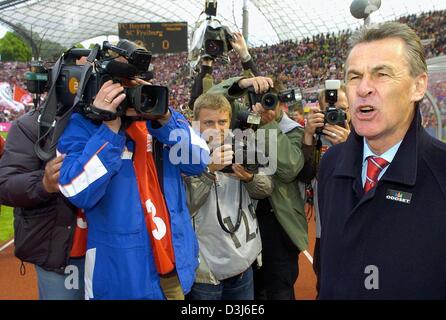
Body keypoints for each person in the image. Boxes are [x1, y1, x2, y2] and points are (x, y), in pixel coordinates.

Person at [318, 22, 446, 299]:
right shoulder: (330, 164)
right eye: (354, 77)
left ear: (418, 86)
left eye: (381, 74)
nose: (363, 88)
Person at [58, 72, 209, 299]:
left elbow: (199, 161)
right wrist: (108, 128)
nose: (131, 95)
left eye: (136, 85)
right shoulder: (84, 125)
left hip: (174, 269)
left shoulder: (160, 119)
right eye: (122, 87)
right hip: (121, 279)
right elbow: (76, 190)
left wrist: (165, 117)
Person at [208, 77, 308, 300]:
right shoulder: (245, 116)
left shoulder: (292, 130)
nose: (265, 104)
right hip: (243, 220)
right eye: (260, 99)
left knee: (278, 290)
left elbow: (289, 169)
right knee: (252, 291)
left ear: (280, 102)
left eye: (270, 99)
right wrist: (241, 84)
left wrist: (267, 125)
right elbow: (210, 100)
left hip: (278, 223)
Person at [184, 93, 273, 300]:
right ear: (195, 123)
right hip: (205, 270)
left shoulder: (244, 145)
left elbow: (267, 188)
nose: (217, 128)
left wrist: (250, 178)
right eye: (209, 122)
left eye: (222, 121)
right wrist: (208, 170)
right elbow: (186, 205)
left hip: (242, 263)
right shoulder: (184, 153)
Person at [0, 109, 85, 300]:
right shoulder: (32, 124)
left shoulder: (120, 122)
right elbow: (5, 185)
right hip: (60, 254)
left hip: (113, 252)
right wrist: (43, 184)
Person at [300, 84, 351, 294]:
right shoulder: (316, 138)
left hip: (356, 230)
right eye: (331, 110)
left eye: (343, 109)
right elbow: (304, 176)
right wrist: (308, 137)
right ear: (320, 112)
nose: (337, 114)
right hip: (325, 230)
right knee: (325, 283)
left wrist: (350, 146)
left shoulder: (367, 136)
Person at [189, 32, 259, 109]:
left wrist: (245, 55)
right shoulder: (205, 115)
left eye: (222, 121)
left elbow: (260, 91)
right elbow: (197, 106)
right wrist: (245, 56)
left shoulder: (241, 114)